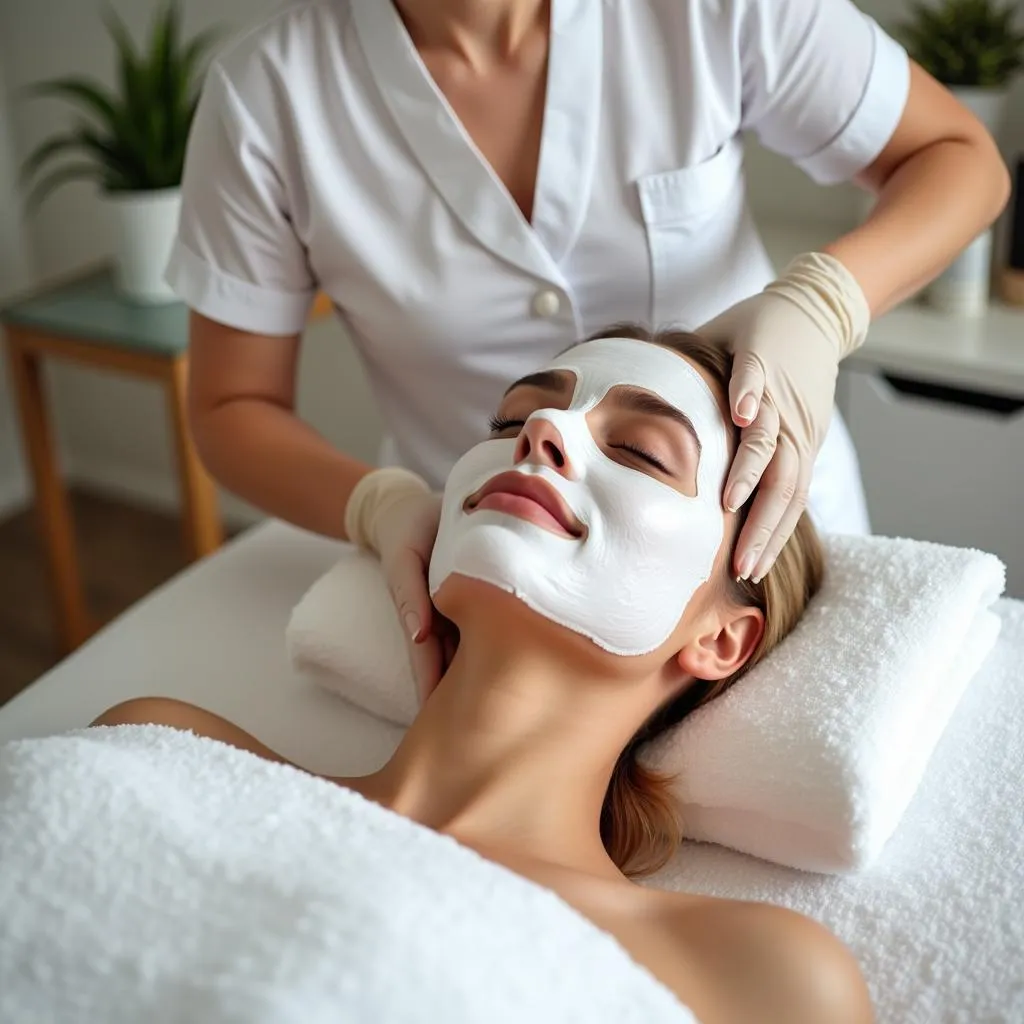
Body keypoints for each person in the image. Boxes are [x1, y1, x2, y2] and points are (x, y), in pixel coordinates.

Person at [168, 0, 1010, 699]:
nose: (550, 431)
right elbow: (230, 406)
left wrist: (823, 302)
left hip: (760, 542)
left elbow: (959, 158)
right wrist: (379, 505)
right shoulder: (268, 98)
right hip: (488, 554)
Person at [93, 329, 863, 1023]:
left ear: (723, 639)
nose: (542, 431)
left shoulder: (760, 977)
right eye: (508, 422)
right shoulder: (161, 755)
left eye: (642, 452)